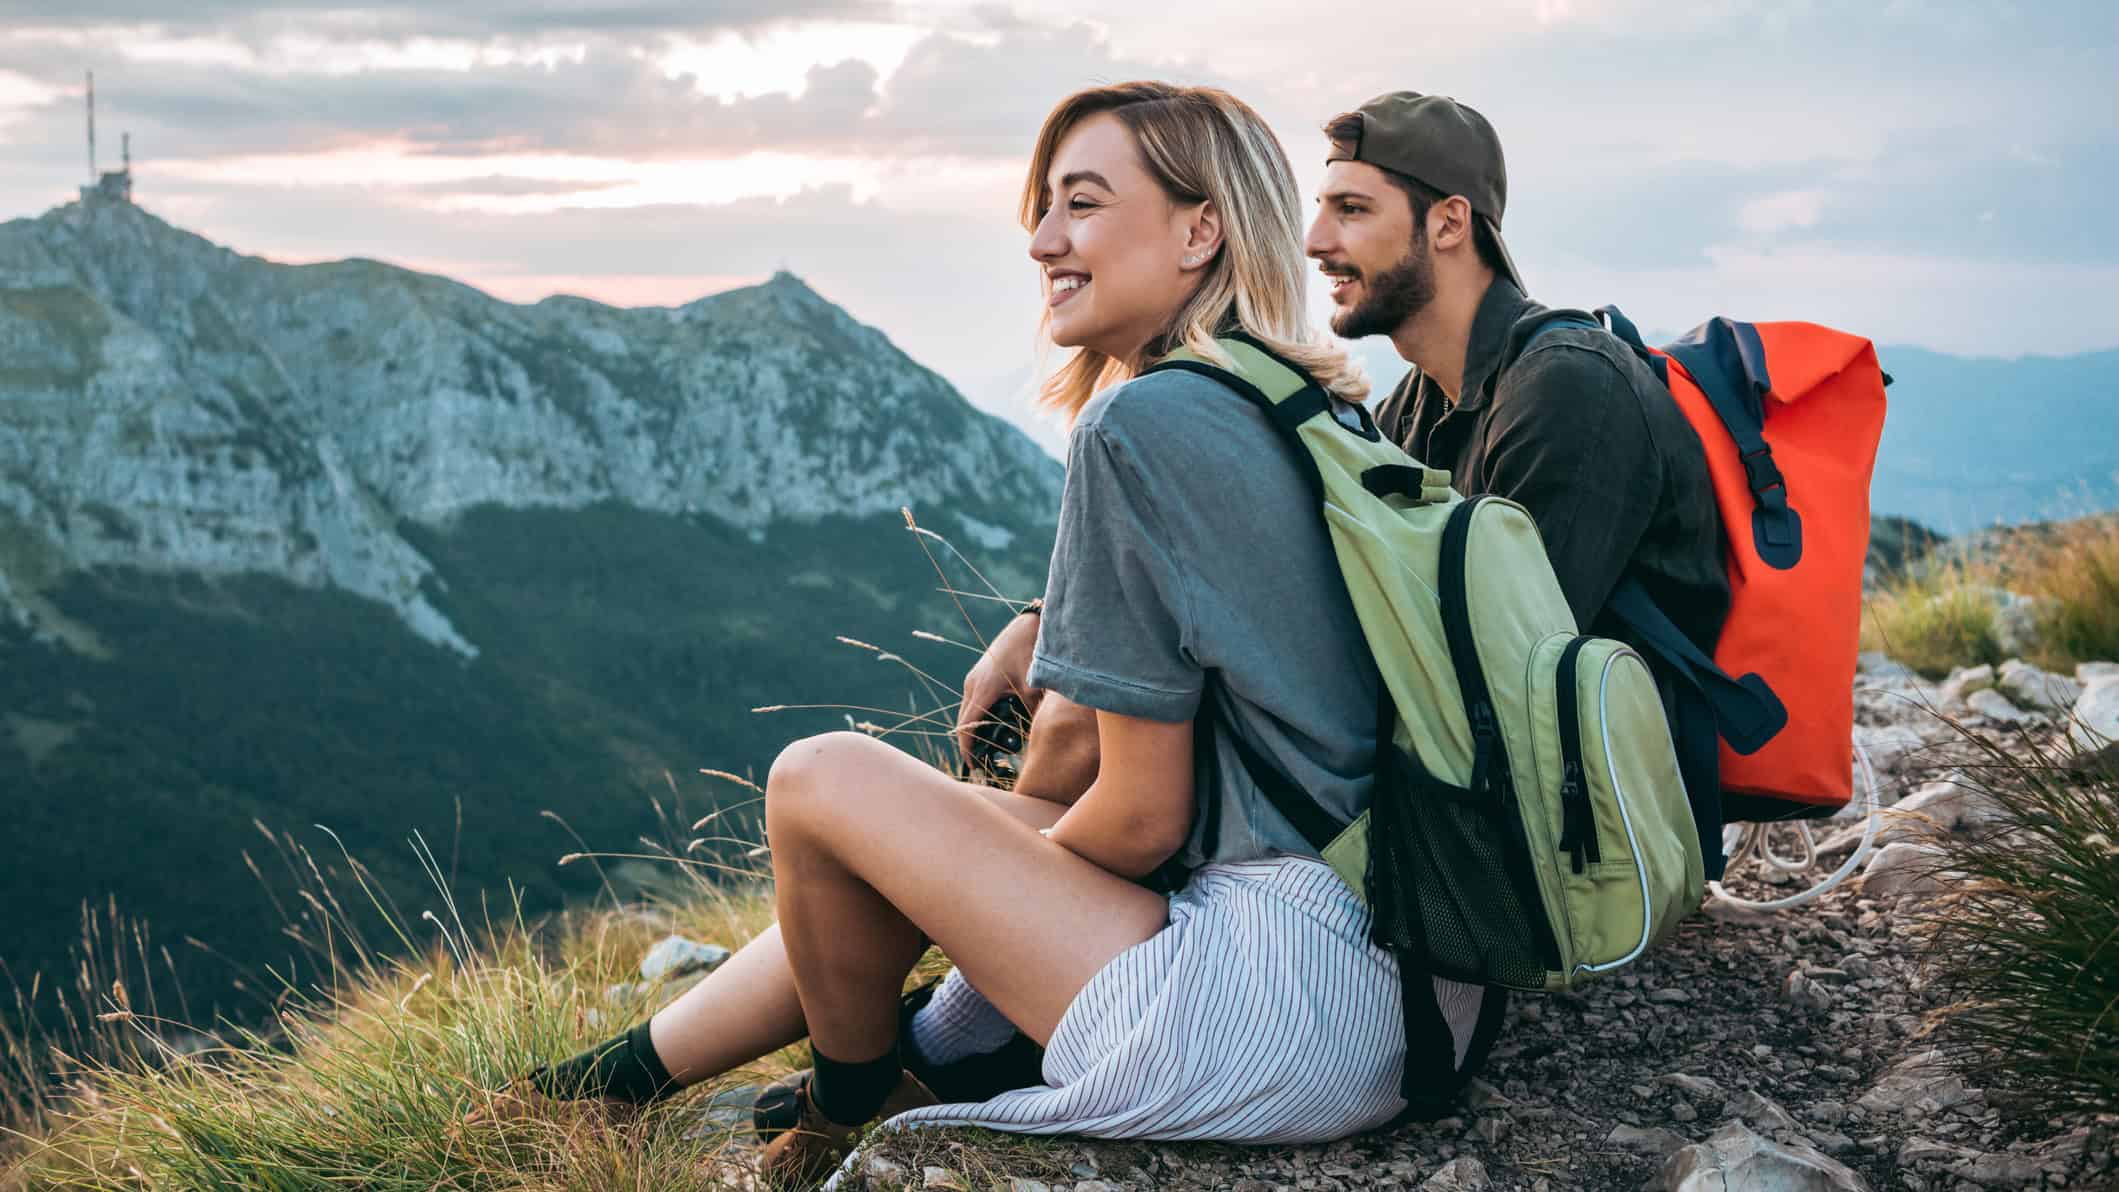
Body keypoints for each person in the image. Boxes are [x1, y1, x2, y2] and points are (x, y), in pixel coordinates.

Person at [474, 80, 1492, 1187]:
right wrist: (986, 811)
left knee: (820, 778)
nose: (1043, 241)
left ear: (1200, 228)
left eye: (1084, 204)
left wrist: (965, 931)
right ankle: (600, 1089)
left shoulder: (1140, 420)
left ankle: (846, 1096)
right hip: (1407, 986)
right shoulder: (1308, 407)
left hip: (1278, 1004)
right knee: (914, 834)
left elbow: (1141, 817)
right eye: (1043, 209)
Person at [1302, 90, 1728, 665]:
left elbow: (1509, 662)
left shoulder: (1570, 388)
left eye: (1352, 209)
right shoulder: (1415, 405)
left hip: (1614, 751)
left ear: (1449, 223)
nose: (1316, 242)